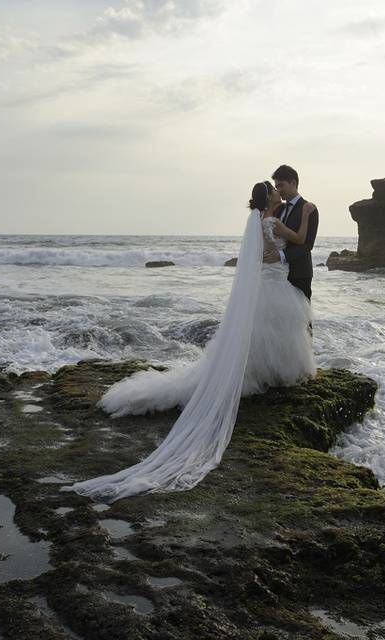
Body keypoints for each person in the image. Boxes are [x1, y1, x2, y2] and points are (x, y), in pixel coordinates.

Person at [61, 180, 317, 503]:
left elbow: (261, 255)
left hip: (269, 284)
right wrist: (305, 214)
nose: (281, 193)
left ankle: (258, 374)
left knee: (262, 334)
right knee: (274, 332)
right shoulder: (275, 221)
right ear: (270, 198)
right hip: (275, 283)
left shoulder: (256, 223)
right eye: (276, 191)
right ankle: (268, 375)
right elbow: (300, 240)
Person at [265, 165, 319, 301]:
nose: (279, 190)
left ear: (293, 183)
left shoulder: (309, 209)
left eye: (281, 185)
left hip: (299, 273)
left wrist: (281, 255)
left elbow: (307, 245)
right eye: (276, 187)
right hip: (277, 273)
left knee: (301, 316)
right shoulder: (279, 209)